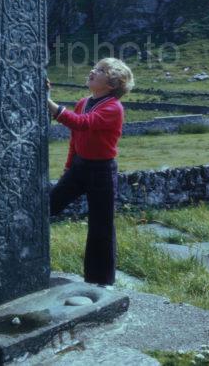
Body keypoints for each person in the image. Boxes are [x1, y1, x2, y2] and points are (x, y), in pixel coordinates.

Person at [47, 57, 134, 286]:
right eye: (95, 67)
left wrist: (48, 103)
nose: (93, 71)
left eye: (101, 70)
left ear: (112, 84)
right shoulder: (84, 101)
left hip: (102, 171)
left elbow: (82, 123)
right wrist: (69, 165)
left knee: (101, 225)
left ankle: (101, 282)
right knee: (47, 205)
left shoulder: (113, 107)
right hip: (80, 166)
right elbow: (75, 138)